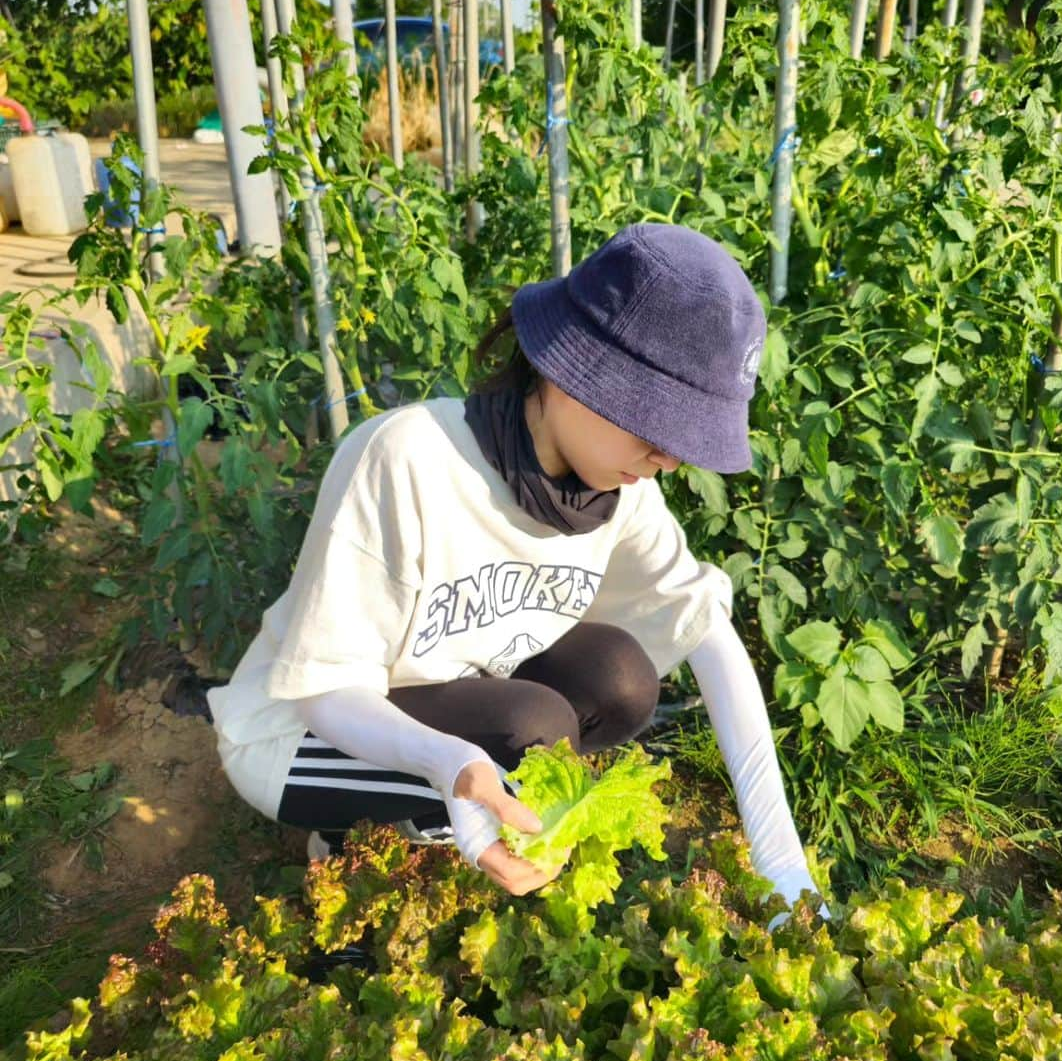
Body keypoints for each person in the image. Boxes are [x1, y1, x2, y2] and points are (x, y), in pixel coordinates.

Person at [207, 223, 825, 914]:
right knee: (533, 730)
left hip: (458, 698)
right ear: (571, 371)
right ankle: (351, 832)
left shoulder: (619, 493)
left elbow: (705, 631)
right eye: (655, 428)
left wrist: (780, 862)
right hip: (301, 730)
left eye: (682, 440)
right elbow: (326, 691)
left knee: (620, 679)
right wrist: (450, 763)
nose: (669, 459)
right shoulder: (410, 457)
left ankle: (453, 814)